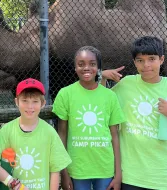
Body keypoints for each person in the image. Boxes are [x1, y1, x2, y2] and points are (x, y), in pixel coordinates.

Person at [103, 36, 167, 190]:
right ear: (134, 62)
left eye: (152, 59)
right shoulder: (126, 84)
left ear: (161, 59)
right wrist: (102, 78)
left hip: (161, 177)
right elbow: (103, 103)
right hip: (130, 175)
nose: (146, 65)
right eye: (140, 60)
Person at [52, 46, 125, 190]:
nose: (86, 68)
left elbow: (115, 136)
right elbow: (62, 134)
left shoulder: (110, 96)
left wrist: (118, 174)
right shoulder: (65, 94)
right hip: (77, 168)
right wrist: (64, 173)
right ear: (75, 67)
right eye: (81, 64)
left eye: (92, 64)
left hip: (105, 167)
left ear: (98, 68)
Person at [0, 78, 71, 190]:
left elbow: (55, 170)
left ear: (43, 104)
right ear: (16, 102)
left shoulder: (49, 132)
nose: (30, 106)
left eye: (35, 101)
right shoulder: (7, 130)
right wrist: (13, 183)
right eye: (25, 101)